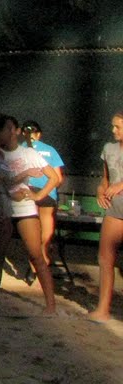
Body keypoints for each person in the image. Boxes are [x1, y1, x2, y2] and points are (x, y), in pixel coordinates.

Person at [0, 113, 56, 315]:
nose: (4, 133)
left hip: (25, 208)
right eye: (1, 130)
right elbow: (3, 182)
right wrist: (25, 175)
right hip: (4, 208)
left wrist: (38, 194)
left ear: (14, 131)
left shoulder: (29, 154)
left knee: (36, 256)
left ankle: (50, 306)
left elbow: (54, 177)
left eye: (7, 129)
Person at [90, 110, 123, 321]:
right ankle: (103, 309)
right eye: (113, 126)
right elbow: (105, 178)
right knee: (105, 257)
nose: (113, 130)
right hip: (115, 207)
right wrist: (100, 190)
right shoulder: (109, 149)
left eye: (118, 127)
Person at [20, 120, 66, 273]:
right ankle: (43, 252)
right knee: (46, 221)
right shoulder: (50, 150)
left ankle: (34, 261)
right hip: (48, 192)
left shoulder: (20, 149)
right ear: (38, 134)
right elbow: (58, 178)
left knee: (31, 227)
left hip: (27, 191)